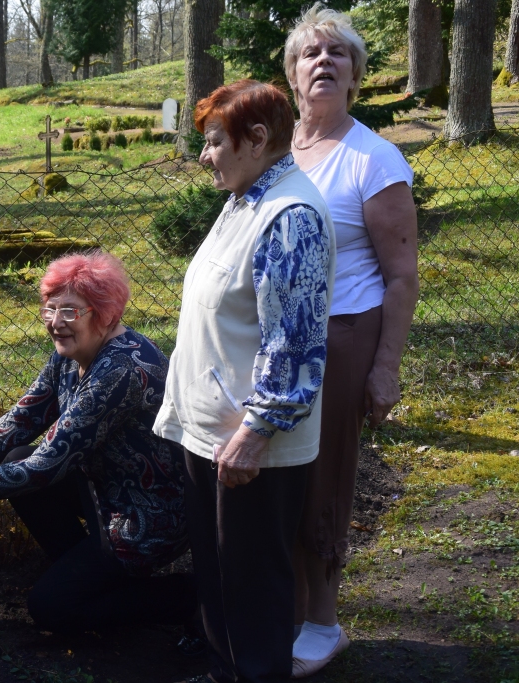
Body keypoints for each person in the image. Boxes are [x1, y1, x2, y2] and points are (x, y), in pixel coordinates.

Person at [0, 252, 197, 634]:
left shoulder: (120, 370)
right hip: (107, 493)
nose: (55, 322)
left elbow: (46, 467)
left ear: (104, 314)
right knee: (18, 453)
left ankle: (191, 598)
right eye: (50, 309)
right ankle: (90, 575)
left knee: (52, 608)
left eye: (70, 311)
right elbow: (17, 423)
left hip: (147, 517)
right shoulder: (71, 355)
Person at [153, 80, 336, 683]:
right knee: (220, 574)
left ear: (256, 140)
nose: (205, 156)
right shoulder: (245, 198)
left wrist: (256, 434)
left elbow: (295, 346)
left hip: (252, 444)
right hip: (213, 431)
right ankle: (224, 670)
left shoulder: (291, 218)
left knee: (252, 581)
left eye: (213, 142)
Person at [284, 6, 418, 677]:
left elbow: (401, 277)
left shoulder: (373, 158)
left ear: (356, 75)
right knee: (279, 474)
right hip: (276, 340)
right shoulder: (276, 149)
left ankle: (322, 622)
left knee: (323, 474)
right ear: (292, 73)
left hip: (341, 336)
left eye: (338, 54)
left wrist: (384, 367)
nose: (324, 62)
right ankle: (286, 610)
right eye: (311, 53)